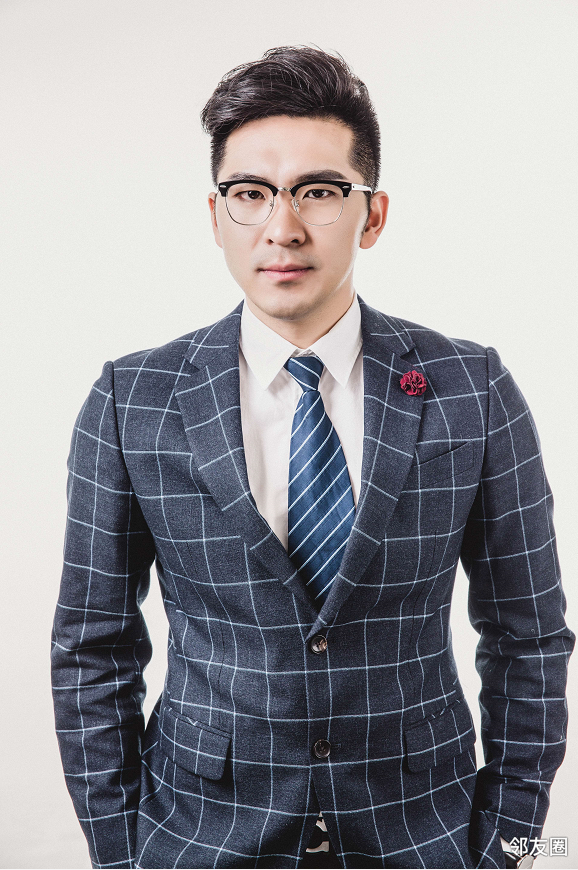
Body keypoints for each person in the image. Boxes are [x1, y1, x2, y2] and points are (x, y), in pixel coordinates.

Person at [51, 46, 574, 870]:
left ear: (373, 215)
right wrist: (122, 855)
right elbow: (92, 647)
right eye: (250, 193)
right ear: (216, 215)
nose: (282, 227)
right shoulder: (131, 401)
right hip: (198, 837)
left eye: (320, 191)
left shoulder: (471, 389)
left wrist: (508, 850)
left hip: (426, 837)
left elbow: (529, 637)